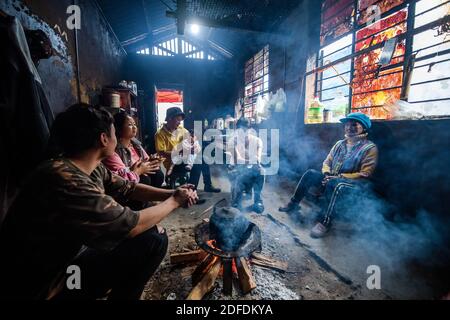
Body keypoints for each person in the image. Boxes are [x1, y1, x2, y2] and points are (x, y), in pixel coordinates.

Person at [0, 103, 198, 300]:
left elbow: (129, 187)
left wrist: (172, 192)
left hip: (69, 261)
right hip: (47, 283)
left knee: (154, 234)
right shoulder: (65, 179)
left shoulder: (89, 166)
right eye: (114, 131)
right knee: (153, 240)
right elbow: (130, 225)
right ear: (104, 139)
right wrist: (174, 201)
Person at [279, 112, 378, 238]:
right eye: (347, 125)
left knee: (336, 184)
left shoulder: (369, 148)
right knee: (310, 174)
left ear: (363, 128)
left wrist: (339, 177)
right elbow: (327, 162)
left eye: (355, 125)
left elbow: (365, 174)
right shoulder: (340, 144)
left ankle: (325, 222)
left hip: (355, 184)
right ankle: (293, 204)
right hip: (333, 178)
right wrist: (326, 173)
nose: (350, 127)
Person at [155, 106, 221, 192]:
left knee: (203, 158)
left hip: (185, 157)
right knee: (197, 163)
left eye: (180, 120)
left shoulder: (182, 130)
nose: (179, 123)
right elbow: (161, 153)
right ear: (170, 118)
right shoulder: (160, 134)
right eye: (178, 120)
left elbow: (192, 140)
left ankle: (207, 185)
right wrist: (179, 152)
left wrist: (194, 148)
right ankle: (191, 191)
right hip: (172, 162)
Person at [103, 111, 164, 188]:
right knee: (144, 179)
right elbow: (121, 174)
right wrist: (139, 169)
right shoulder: (114, 149)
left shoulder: (135, 144)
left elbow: (146, 159)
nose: (134, 127)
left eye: (134, 124)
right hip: (129, 177)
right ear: (119, 128)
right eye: (130, 125)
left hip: (139, 171)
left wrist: (153, 161)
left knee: (158, 173)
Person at [228, 117, 265, 213]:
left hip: (251, 168)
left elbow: (257, 158)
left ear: (250, 129)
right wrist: (249, 161)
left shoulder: (257, 141)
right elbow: (237, 160)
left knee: (261, 171)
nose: (243, 132)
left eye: (246, 129)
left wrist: (252, 161)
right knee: (239, 173)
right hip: (237, 167)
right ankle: (236, 200)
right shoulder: (232, 141)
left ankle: (258, 201)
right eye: (241, 129)